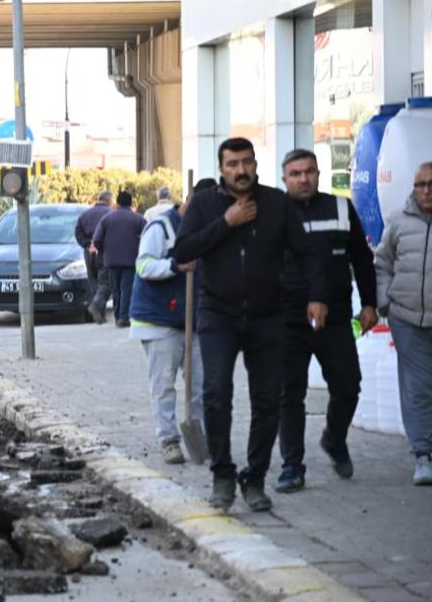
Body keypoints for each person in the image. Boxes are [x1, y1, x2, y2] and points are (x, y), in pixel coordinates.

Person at [175, 137, 326, 513]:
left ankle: (255, 477)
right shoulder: (204, 205)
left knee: (267, 400)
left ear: (256, 164)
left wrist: (317, 295)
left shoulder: (276, 203)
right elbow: (182, 251)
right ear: (221, 168)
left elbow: (308, 254)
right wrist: (226, 223)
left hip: (268, 315)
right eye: (232, 164)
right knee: (216, 394)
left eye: (246, 162)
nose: (240, 170)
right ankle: (222, 474)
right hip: (218, 316)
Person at [275, 149, 377, 493]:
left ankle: (334, 439)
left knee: (348, 386)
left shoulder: (340, 208)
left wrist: (369, 303)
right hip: (287, 319)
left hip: (333, 317)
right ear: (284, 178)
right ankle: (292, 466)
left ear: (319, 174)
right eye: (295, 173)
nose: (303, 178)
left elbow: (361, 259)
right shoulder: (274, 215)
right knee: (290, 394)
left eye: (309, 172)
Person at [131, 179, 210, 464]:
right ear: (189, 202)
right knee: (164, 385)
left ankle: (200, 437)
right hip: (159, 321)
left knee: (200, 385)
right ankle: (169, 440)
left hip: (195, 321)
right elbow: (143, 265)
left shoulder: (208, 229)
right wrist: (175, 266)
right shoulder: (161, 227)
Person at [374, 161, 432, 486]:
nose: (426, 190)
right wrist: (385, 302)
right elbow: (382, 263)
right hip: (408, 319)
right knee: (419, 388)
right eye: (420, 184)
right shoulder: (398, 222)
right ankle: (422, 454)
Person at [93, 191, 147, 328]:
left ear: (117, 202)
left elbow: (97, 239)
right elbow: (148, 234)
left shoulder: (107, 218)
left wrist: (104, 251)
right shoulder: (138, 219)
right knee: (127, 288)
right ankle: (124, 316)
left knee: (115, 289)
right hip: (130, 259)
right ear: (131, 203)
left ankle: (118, 316)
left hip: (111, 260)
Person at [75, 191, 115, 323]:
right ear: (108, 201)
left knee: (93, 283)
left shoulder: (84, 215)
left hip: (89, 252)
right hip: (104, 251)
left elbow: (78, 232)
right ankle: (96, 306)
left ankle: (99, 316)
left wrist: (87, 245)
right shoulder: (110, 214)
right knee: (106, 283)